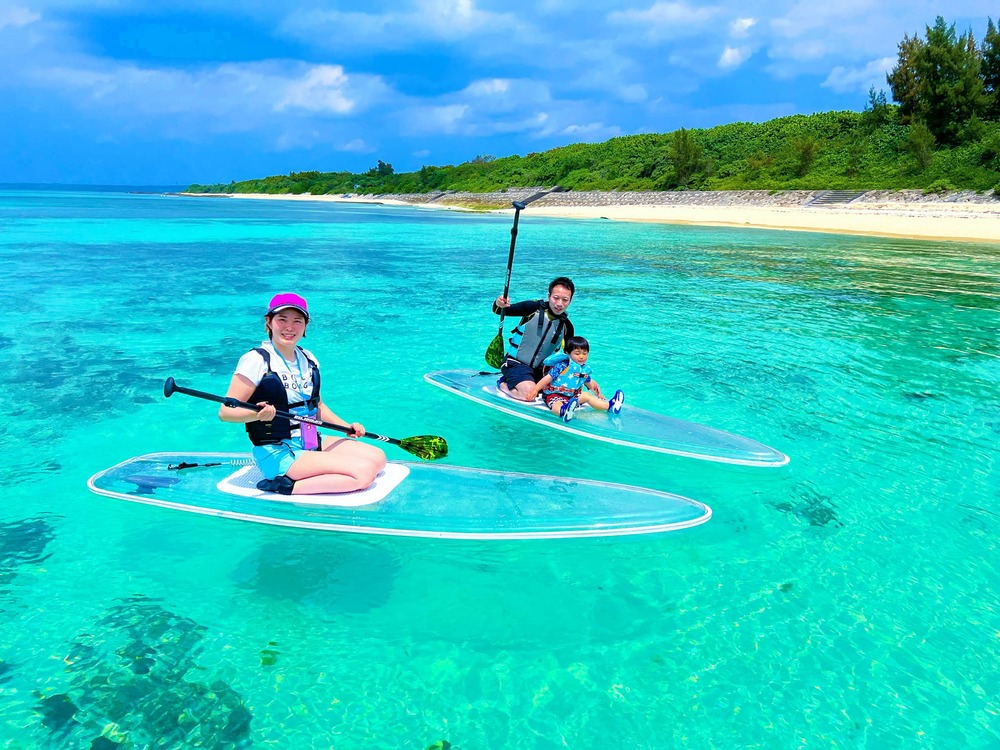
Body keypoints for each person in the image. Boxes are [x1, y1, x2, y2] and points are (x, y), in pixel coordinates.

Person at [218, 293, 387, 495]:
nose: (290, 327)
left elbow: (317, 405)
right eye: (282, 320)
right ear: (269, 322)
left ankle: (312, 468)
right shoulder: (255, 360)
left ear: (306, 325)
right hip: (278, 451)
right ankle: (284, 486)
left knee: (378, 458)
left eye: (297, 321)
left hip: (311, 440)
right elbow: (226, 413)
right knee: (363, 474)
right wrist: (257, 414)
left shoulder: (308, 357)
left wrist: (345, 427)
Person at [493, 276, 576, 401]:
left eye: (565, 300)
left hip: (541, 371)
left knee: (568, 391)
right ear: (549, 296)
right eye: (556, 298)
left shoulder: (567, 327)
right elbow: (499, 310)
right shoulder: (532, 308)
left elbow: (571, 356)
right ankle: (503, 384)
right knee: (528, 394)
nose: (559, 304)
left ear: (570, 300)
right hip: (515, 363)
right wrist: (499, 303)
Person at [524, 336, 625, 422]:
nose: (581, 357)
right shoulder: (563, 365)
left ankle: (610, 406)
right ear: (567, 353)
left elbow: (589, 383)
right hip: (554, 395)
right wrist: (535, 390)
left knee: (587, 396)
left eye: (585, 353)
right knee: (556, 404)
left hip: (571, 398)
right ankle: (563, 412)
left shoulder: (583, 369)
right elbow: (547, 379)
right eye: (577, 353)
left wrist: (598, 394)